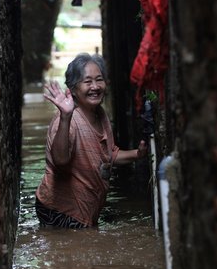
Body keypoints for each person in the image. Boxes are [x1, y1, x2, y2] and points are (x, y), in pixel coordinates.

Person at [35, 53, 147, 228]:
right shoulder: (66, 122)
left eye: (99, 80)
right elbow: (60, 161)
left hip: (86, 207)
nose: (95, 87)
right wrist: (65, 117)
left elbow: (109, 154)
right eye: (87, 82)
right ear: (73, 88)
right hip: (60, 210)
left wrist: (138, 154)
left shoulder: (100, 114)